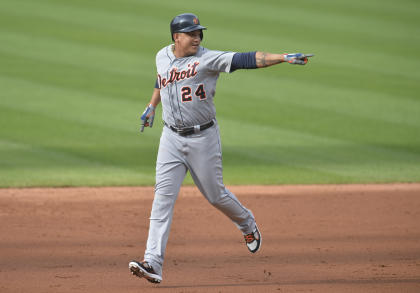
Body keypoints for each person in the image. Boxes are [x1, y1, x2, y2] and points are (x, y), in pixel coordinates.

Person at [129, 13, 313, 284]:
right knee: (162, 199)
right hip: (170, 139)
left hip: (203, 138)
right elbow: (162, 78)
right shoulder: (161, 55)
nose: (197, 37)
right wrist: (151, 105)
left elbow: (247, 59)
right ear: (176, 37)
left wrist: (281, 57)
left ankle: (247, 223)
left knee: (215, 196)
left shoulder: (208, 58)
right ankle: (153, 262)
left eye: (199, 33)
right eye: (192, 33)